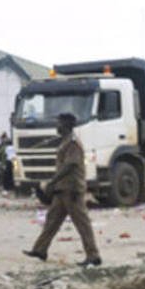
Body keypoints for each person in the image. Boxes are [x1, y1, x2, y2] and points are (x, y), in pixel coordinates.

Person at [22, 113, 101, 267]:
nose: (56, 126)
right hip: (62, 189)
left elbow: (70, 165)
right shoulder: (65, 141)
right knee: (51, 221)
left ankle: (93, 256)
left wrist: (52, 182)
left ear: (66, 125)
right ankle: (40, 250)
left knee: (82, 223)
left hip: (72, 190)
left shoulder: (72, 143)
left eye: (59, 123)